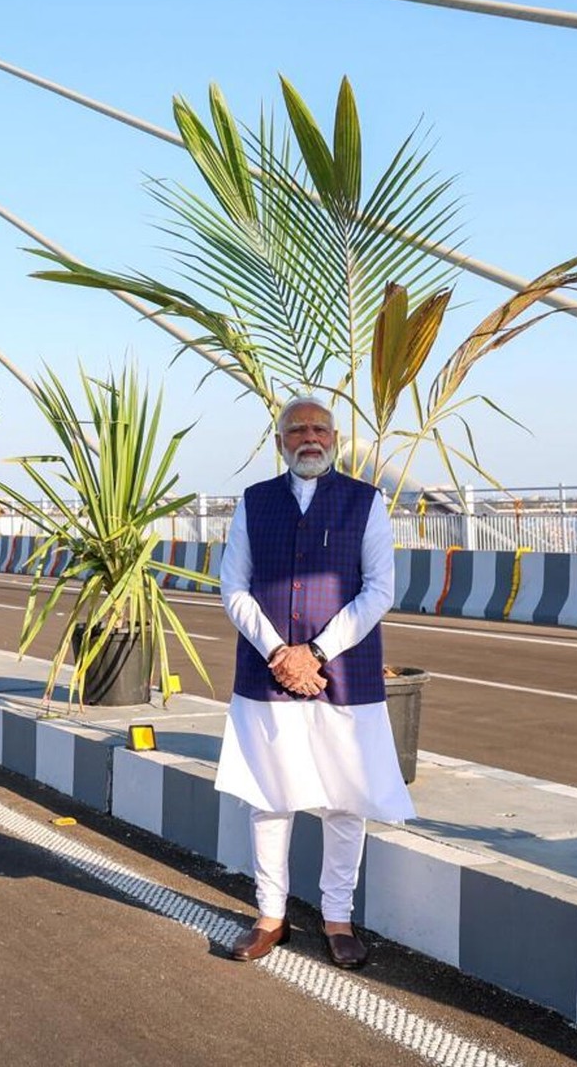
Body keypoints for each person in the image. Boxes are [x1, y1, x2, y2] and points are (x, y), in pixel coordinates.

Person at [217, 396, 414, 971]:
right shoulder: (254, 502)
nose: (309, 437)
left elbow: (379, 590)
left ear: (335, 438)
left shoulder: (366, 502)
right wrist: (280, 652)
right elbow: (234, 588)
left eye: (319, 429)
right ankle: (270, 916)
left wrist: (317, 652)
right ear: (280, 441)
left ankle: (336, 917)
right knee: (269, 800)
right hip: (267, 672)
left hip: (344, 675)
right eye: (297, 429)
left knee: (343, 800)